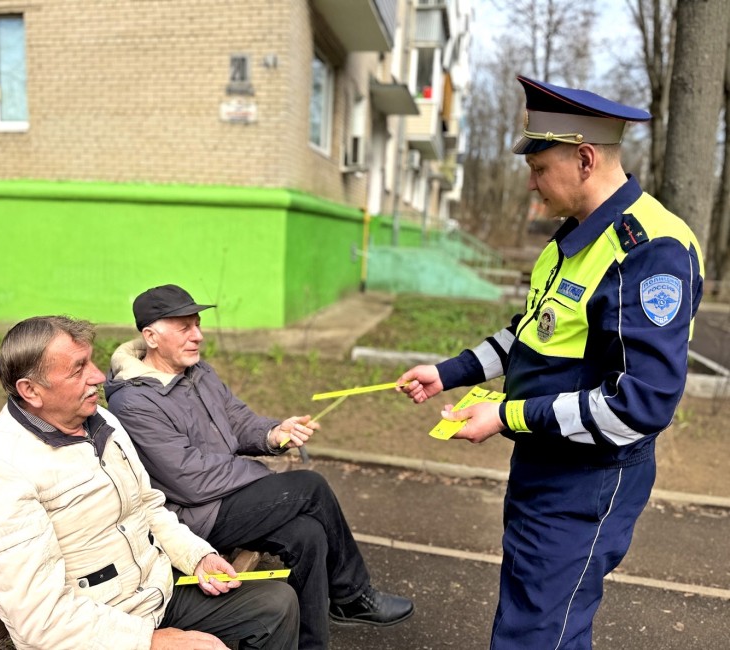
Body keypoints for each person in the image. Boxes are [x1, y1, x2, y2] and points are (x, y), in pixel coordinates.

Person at [398, 75, 704, 649]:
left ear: (585, 158)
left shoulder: (649, 251)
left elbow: (641, 406)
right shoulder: (575, 239)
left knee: (539, 632)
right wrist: (450, 372)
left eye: (540, 170)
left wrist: (508, 417)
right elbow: (531, 333)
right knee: (532, 615)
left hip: (586, 481)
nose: (533, 186)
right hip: (545, 466)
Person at [0, 316, 299, 650]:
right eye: (78, 369)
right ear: (30, 390)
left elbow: (148, 505)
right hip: (98, 627)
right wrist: (150, 642)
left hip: (155, 594)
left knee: (277, 603)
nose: (96, 376)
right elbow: (40, 620)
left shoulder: (101, 420)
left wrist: (197, 557)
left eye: (91, 361)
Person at [104, 284, 414, 650]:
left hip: (234, 498)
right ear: (151, 336)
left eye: (198, 324)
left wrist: (273, 433)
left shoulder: (199, 371)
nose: (198, 335)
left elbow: (237, 420)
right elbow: (189, 479)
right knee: (309, 487)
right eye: (185, 327)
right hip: (198, 517)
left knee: (308, 535)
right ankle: (352, 595)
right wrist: (259, 474)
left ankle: (311, 643)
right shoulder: (134, 401)